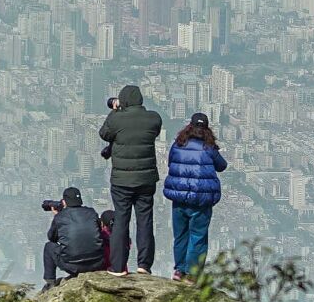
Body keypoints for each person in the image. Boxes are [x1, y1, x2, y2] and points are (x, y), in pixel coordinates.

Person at [98, 83, 163, 274]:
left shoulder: (117, 119)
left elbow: (104, 133)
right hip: (146, 180)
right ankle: (144, 265)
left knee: (121, 221)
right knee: (145, 221)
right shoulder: (153, 118)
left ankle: (118, 267)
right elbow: (154, 131)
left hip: (122, 181)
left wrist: (115, 110)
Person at [163, 111, 228, 279]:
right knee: (198, 237)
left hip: (179, 198)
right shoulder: (209, 148)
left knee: (180, 235)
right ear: (206, 129)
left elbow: (171, 162)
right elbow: (222, 166)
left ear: (189, 127)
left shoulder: (178, 144)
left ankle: (179, 270)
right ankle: (192, 274)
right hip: (201, 200)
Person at [42, 186, 104, 290]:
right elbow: (98, 231)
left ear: (64, 202)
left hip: (72, 265)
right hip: (96, 263)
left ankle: (50, 283)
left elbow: (51, 238)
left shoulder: (60, 217)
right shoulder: (92, 212)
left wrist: (57, 216)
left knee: (49, 247)